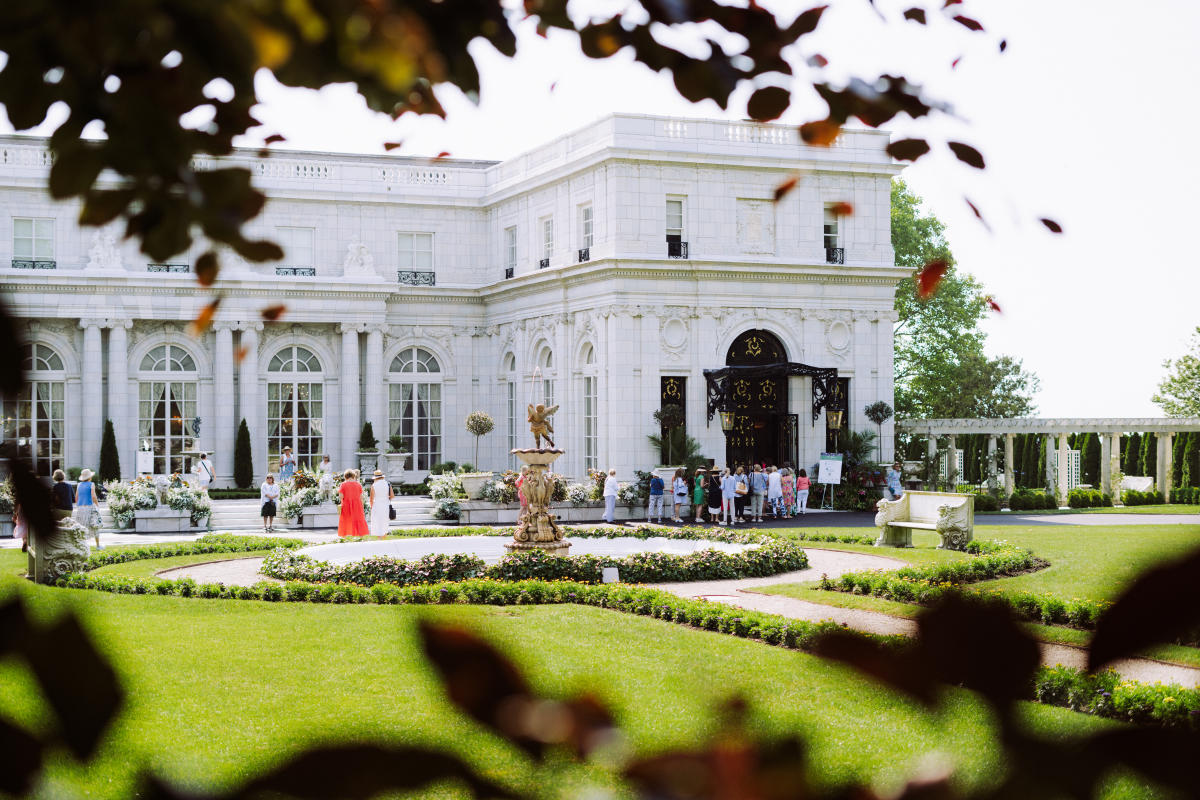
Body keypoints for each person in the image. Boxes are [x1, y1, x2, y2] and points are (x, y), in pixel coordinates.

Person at [72, 468, 102, 548]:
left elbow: (76, 498)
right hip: (90, 507)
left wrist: (79, 505)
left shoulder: (79, 485)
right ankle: (98, 546)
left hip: (81, 508)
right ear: (90, 477)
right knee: (95, 525)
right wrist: (97, 505)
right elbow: (93, 496)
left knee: (82, 526)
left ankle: (82, 545)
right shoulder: (91, 484)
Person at [337, 469, 369, 538]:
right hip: (357, 505)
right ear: (353, 475)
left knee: (346, 520)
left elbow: (341, 496)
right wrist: (362, 506)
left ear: (345, 476)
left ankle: (345, 536)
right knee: (358, 519)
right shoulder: (358, 484)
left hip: (346, 505)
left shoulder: (343, 484)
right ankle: (360, 536)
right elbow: (361, 497)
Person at [368, 469, 394, 537]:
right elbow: (392, 496)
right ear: (382, 476)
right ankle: (384, 536)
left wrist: (371, 506)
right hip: (385, 504)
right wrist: (386, 498)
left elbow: (371, 498)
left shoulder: (374, 485)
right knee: (385, 521)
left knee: (377, 521)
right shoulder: (388, 484)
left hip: (376, 504)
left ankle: (378, 537)